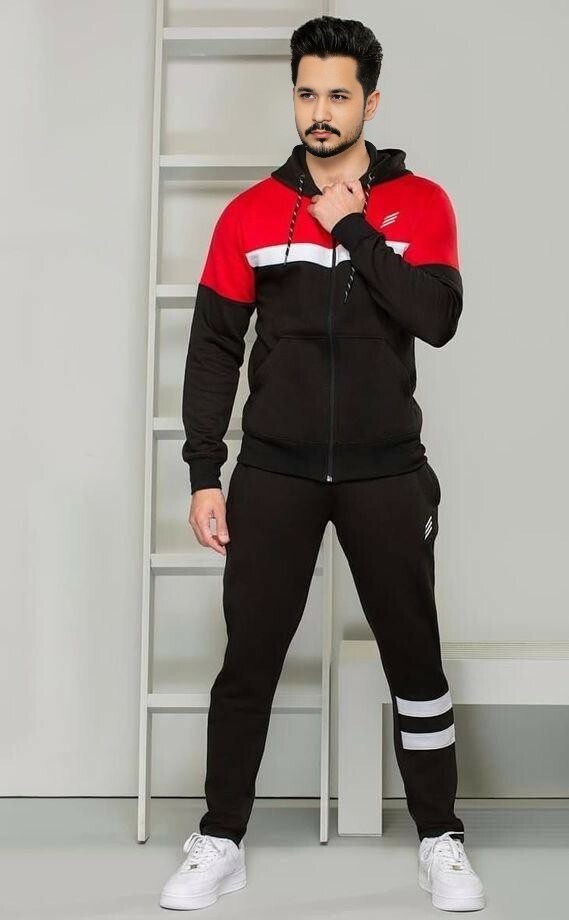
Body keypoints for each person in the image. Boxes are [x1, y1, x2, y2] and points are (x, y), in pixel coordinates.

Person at [159, 14, 486, 914]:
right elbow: (212, 349)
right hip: (276, 473)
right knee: (249, 661)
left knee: (414, 661)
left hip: (387, 472)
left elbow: (437, 318)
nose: (319, 112)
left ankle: (440, 838)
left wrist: (356, 231)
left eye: (338, 95)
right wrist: (202, 471)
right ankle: (220, 838)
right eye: (306, 93)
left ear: (370, 102)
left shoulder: (421, 204)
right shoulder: (249, 213)